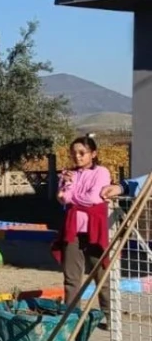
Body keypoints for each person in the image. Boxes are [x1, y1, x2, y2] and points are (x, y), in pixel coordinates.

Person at [53, 135, 112, 317]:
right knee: (71, 278)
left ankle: (109, 314)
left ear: (93, 154)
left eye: (82, 153)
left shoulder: (101, 172)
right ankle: (71, 317)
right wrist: (68, 185)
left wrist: (73, 195)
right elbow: (62, 198)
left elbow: (94, 198)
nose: (77, 157)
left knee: (101, 275)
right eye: (74, 153)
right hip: (73, 231)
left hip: (95, 230)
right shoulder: (69, 174)